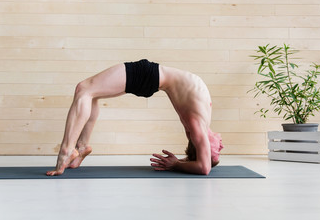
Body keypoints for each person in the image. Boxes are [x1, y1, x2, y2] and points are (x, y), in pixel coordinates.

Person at [46, 59, 223, 176]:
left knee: (83, 89)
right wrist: (185, 161)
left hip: (150, 75)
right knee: (91, 93)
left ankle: (66, 151)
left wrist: (177, 164)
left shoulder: (196, 127)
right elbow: (203, 161)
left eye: (215, 153)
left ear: (202, 146)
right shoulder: (202, 122)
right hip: (153, 77)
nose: (221, 146)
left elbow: (204, 167)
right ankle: (82, 147)